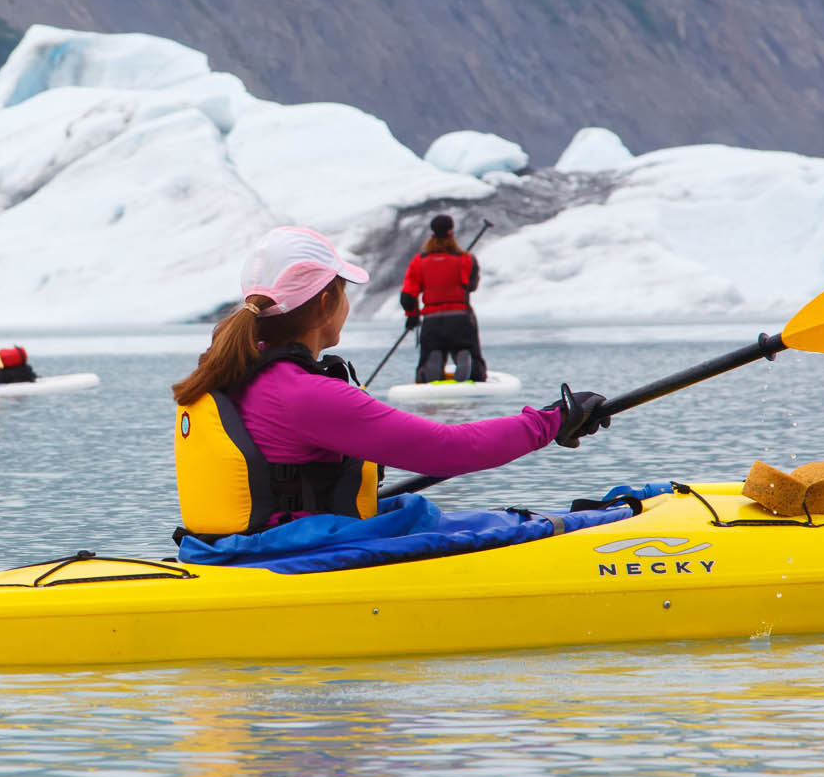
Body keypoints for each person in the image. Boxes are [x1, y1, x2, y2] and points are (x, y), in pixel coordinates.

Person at [171, 226, 611, 567]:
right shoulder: (304, 394)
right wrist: (553, 420)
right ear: (326, 303)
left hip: (236, 550)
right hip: (294, 558)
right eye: (344, 293)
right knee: (512, 526)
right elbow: (448, 450)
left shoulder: (226, 371)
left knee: (414, 513)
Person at [400, 213, 487, 383]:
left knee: (432, 355)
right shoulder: (466, 259)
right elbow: (472, 286)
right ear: (451, 232)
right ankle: (467, 363)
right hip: (460, 319)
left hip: (432, 322)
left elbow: (407, 296)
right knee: (468, 351)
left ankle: (433, 365)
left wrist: (412, 316)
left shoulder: (419, 262)